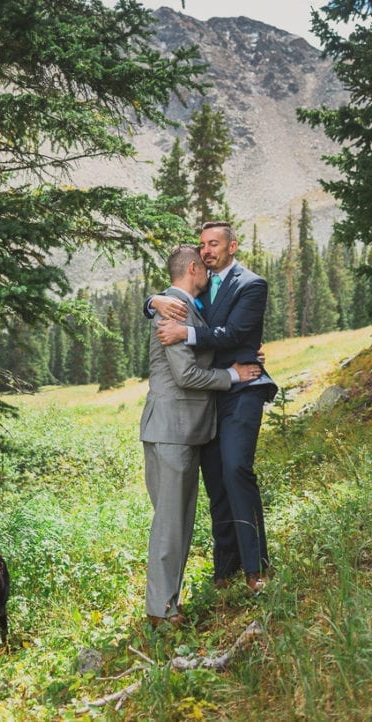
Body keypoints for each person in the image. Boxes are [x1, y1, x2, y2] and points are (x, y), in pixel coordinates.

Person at [147, 221, 277, 594]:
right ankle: (226, 567)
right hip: (209, 397)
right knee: (216, 482)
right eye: (202, 245)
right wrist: (152, 301)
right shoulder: (201, 288)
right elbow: (177, 296)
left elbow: (233, 333)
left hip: (244, 388)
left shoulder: (251, 284)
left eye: (214, 243)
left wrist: (185, 333)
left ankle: (256, 566)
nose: (206, 250)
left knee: (237, 469)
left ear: (232, 247)